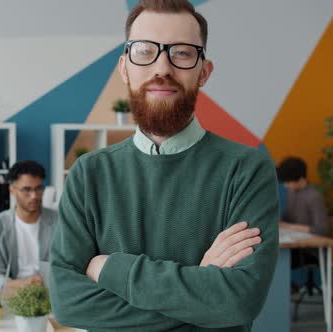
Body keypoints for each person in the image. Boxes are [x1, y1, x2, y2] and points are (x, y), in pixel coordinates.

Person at [49, 1, 280, 331]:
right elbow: (68, 305)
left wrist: (111, 268)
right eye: (144, 50)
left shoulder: (246, 170)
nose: (162, 68)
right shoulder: (88, 175)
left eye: (182, 53)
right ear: (124, 67)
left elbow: (239, 302)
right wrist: (201, 290)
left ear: (204, 71)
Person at [0, 160, 58, 293]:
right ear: (12, 190)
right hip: (14, 293)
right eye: (26, 190)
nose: (34, 196)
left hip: (51, 292)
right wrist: (24, 284)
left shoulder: (59, 221)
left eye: (38, 188)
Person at [277, 157, 330, 237]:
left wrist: (289, 226)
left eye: (288, 182)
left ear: (301, 179)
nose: (285, 185)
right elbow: (288, 219)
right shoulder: (291, 192)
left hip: (310, 244)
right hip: (293, 240)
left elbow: (322, 230)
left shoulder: (314, 197)